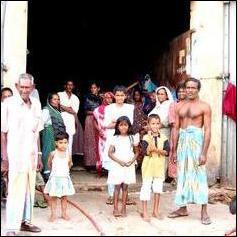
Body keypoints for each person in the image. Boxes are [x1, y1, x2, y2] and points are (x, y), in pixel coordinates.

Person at [1, 73, 43, 236]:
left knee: (29, 189)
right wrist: (4, 158)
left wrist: (39, 154)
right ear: (17, 86)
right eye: (22, 87)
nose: (25, 90)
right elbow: (3, 133)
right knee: (14, 189)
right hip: (15, 154)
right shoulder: (8, 104)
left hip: (31, 155)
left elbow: (37, 132)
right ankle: (11, 227)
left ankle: (26, 222)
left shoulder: (36, 104)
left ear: (32, 88)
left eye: (28, 87)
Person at [168, 78, 212, 225]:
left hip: (196, 142)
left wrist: (204, 152)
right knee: (182, 175)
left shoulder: (204, 106)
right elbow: (175, 128)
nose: (190, 90)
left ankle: (204, 211)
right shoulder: (179, 106)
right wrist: (173, 150)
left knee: (199, 176)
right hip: (183, 143)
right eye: (188, 88)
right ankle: (182, 208)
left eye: (193, 88)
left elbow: (207, 130)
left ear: (198, 89)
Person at [103, 85, 134, 205]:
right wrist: (122, 122)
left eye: (122, 95)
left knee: (125, 164)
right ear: (114, 96)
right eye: (117, 95)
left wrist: (115, 122)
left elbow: (130, 124)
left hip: (126, 139)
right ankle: (111, 195)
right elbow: (106, 124)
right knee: (113, 167)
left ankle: (126, 195)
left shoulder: (130, 107)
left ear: (125, 96)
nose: (120, 97)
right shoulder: (109, 108)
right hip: (113, 138)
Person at [140, 114, 169, 222]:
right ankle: (145, 211)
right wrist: (151, 140)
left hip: (159, 166)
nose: (155, 126)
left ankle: (155, 210)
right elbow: (145, 152)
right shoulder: (146, 138)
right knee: (146, 187)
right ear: (148, 125)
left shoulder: (164, 138)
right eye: (152, 123)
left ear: (160, 124)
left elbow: (166, 152)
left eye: (157, 123)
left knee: (158, 189)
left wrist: (156, 150)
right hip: (148, 166)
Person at [108, 116, 139, 217]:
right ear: (117, 126)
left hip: (128, 165)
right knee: (117, 187)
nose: (123, 127)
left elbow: (137, 152)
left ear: (129, 126)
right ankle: (115, 209)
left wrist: (132, 161)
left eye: (125, 125)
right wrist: (119, 161)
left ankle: (124, 209)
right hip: (118, 165)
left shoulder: (132, 138)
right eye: (121, 125)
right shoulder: (115, 138)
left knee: (125, 187)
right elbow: (110, 153)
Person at [44, 132, 75, 222]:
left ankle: (64, 213)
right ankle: (53, 214)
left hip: (64, 179)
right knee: (53, 198)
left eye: (65, 143)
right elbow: (49, 164)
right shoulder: (53, 154)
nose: (63, 145)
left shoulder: (68, 154)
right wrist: (54, 173)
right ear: (56, 143)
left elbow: (70, 164)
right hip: (55, 179)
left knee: (64, 197)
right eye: (60, 143)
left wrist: (65, 173)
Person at [41, 93, 66, 181]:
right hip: (49, 132)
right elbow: (41, 123)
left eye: (58, 99)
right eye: (55, 99)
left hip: (56, 133)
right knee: (48, 151)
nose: (57, 101)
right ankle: (47, 172)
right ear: (50, 100)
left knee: (55, 153)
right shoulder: (46, 110)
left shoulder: (57, 111)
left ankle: (53, 172)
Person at [168, 83, 187, 180]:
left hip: (189, 134)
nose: (181, 93)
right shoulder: (173, 105)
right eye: (179, 91)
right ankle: (176, 178)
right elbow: (174, 124)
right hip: (176, 133)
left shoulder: (191, 105)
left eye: (183, 91)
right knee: (174, 153)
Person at [93, 92, 114, 176]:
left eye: (110, 98)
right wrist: (99, 130)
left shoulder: (115, 109)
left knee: (111, 151)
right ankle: (100, 171)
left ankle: (111, 171)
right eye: (106, 97)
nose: (108, 99)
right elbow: (94, 121)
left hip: (112, 134)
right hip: (101, 135)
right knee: (101, 151)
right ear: (104, 99)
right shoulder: (98, 109)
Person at [58, 80, 80, 157]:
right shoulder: (59, 94)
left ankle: (68, 162)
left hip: (70, 122)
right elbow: (57, 106)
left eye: (71, 85)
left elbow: (74, 111)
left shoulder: (75, 98)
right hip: (61, 121)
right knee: (60, 141)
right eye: (68, 85)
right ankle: (59, 161)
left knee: (69, 142)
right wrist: (69, 108)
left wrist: (63, 106)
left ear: (73, 87)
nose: (70, 86)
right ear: (65, 86)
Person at [83, 82, 102, 169]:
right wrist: (96, 112)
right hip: (90, 119)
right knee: (90, 140)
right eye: (92, 88)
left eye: (95, 88)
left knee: (98, 140)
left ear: (98, 88)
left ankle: (98, 163)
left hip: (99, 120)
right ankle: (89, 163)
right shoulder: (87, 97)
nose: (93, 89)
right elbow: (86, 111)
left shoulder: (101, 98)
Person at [1, 87, 13, 208]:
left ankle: (8, 198)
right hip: (3, 149)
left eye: (10, 96)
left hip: (11, 148)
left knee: (9, 175)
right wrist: (4, 156)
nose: (8, 99)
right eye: (5, 97)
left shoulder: (15, 112)